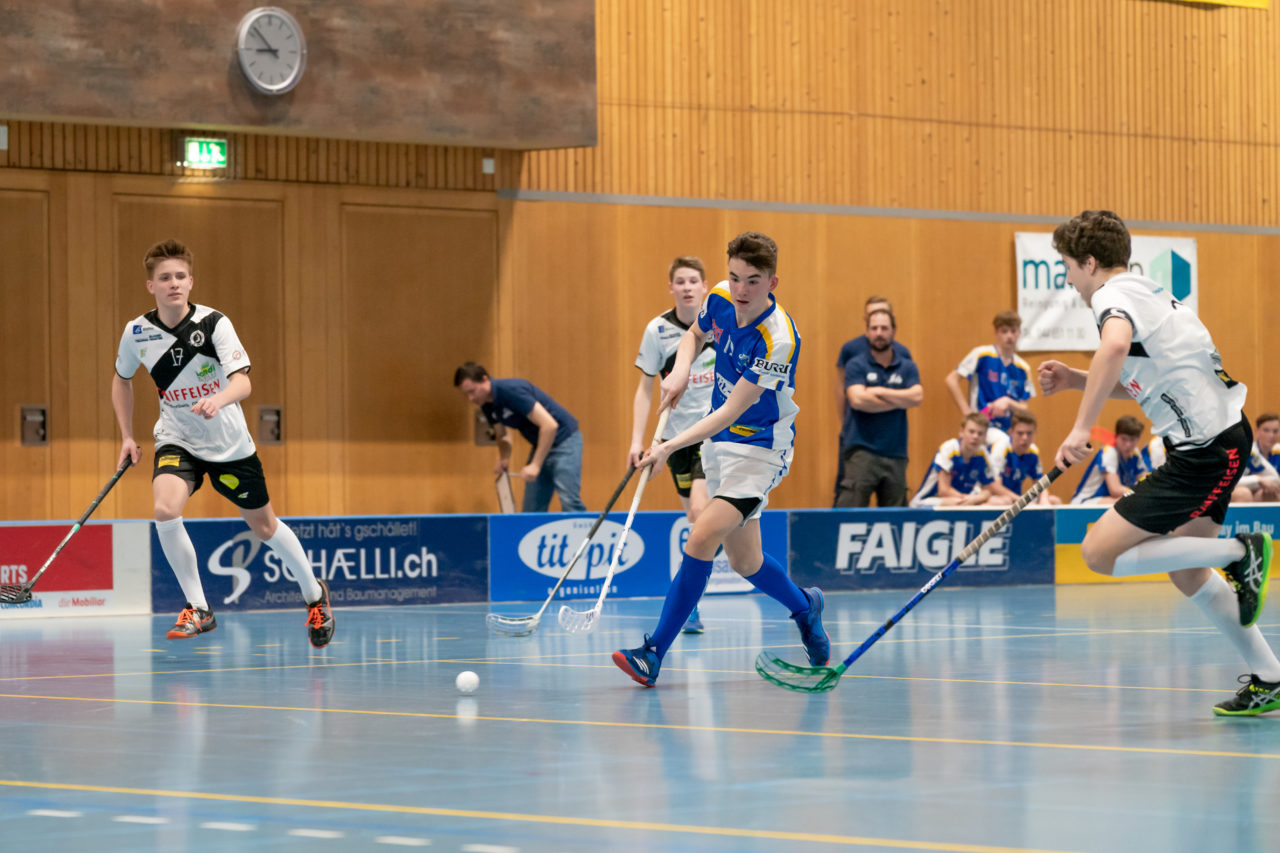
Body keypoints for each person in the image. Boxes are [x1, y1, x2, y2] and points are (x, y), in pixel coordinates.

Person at [1040, 209, 1279, 716]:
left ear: (1089, 262)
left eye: (1067, 268)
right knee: (1189, 571)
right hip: (1221, 439)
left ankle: (1240, 554)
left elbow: (1116, 346)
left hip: (1203, 454)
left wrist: (1082, 428)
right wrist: (1076, 380)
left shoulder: (1109, 297)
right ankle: (1272, 677)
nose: (1068, 279)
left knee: (1097, 553)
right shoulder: (1147, 291)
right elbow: (1149, 383)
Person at [612, 231, 828, 687]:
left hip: (760, 450)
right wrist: (680, 370)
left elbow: (733, 410)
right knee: (747, 562)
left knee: (701, 534)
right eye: (734, 278)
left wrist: (668, 446)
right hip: (719, 445)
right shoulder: (720, 299)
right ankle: (805, 607)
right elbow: (693, 334)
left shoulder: (779, 339)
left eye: (753, 281)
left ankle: (653, 652)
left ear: (773, 281)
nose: (741, 291)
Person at [112, 239, 334, 646]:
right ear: (151, 286)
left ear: (191, 281)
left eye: (180, 276)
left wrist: (218, 398)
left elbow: (243, 381)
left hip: (230, 445)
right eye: (165, 278)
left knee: (264, 526)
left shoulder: (214, 324)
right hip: (177, 437)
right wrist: (127, 435)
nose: (173, 283)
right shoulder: (137, 332)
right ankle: (199, 608)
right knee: (164, 508)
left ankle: (315, 596)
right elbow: (121, 379)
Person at [630, 255, 717, 634]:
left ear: (703, 286)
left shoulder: (720, 323)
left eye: (693, 281)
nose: (686, 287)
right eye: (679, 281)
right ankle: (691, 603)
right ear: (671, 288)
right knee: (694, 520)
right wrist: (638, 441)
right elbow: (644, 388)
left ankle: (688, 605)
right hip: (674, 438)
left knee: (699, 513)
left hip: (714, 433)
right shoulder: (657, 330)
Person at [454, 363, 586, 513]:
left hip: (564, 441)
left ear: (485, 379)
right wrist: (504, 458)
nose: (471, 398)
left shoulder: (511, 390)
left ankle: (585, 535)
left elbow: (550, 426)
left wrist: (535, 465)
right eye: (466, 395)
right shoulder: (486, 405)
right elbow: (501, 434)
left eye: (472, 391)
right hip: (541, 444)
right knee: (531, 509)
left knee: (570, 502)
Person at [834, 308, 922, 507]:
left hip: (896, 452)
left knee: (896, 521)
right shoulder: (857, 364)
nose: (879, 333)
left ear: (893, 331)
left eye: (884, 328)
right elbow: (857, 400)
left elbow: (917, 397)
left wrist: (879, 391)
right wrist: (900, 398)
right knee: (850, 513)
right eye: (874, 328)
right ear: (867, 332)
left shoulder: (906, 366)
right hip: (861, 451)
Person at [944, 311, 1036, 438]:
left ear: (1019, 333)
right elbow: (951, 380)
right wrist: (967, 412)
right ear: (996, 332)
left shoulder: (1023, 367)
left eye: (1013, 331)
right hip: (982, 427)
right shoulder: (982, 355)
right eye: (1004, 331)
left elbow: (1024, 407)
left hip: (1010, 430)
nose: (1009, 336)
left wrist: (1008, 402)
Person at [909, 413, 997, 507]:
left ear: (985, 437)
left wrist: (974, 499)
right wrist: (969, 500)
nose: (975, 437)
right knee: (957, 503)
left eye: (980, 433)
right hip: (928, 500)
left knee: (1001, 501)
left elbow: (988, 490)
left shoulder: (983, 454)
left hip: (961, 499)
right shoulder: (949, 448)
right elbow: (944, 490)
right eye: (971, 432)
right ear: (961, 432)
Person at [1069, 415, 1151, 505]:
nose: (1128, 444)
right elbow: (1115, 490)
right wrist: (1140, 494)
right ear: (1116, 437)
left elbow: (1145, 481)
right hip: (1085, 502)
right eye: (1124, 439)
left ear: (1138, 439)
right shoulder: (1109, 452)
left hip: (1109, 500)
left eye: (1132, 440)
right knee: (1124, 503)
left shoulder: (1135, 453)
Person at [986, 411, 1060, 505]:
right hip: (994, 496)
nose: (1025, 438)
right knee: (1004, 501)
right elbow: (994, 486)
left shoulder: (1033, 452)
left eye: (1029, 433)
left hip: (1016, 498)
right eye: (1020, 433)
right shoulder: (1000, 448)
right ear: (1011, 432)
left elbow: (1040, 482)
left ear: (1035, 433)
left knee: (1054, 501)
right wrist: (1023, 501)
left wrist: (1044, 498)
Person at [1232, 412, 1280, 503]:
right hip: (1240, 491)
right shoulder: (1247, 451)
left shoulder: (1278, 451)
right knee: (1244, 493)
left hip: (1261, 493)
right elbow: (1232, 482)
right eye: (1266, 430)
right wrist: (1257, 479)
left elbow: (1276, 481)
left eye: (1275, 431)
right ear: (1256, 431)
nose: (1271, 435)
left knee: (1270, 493)